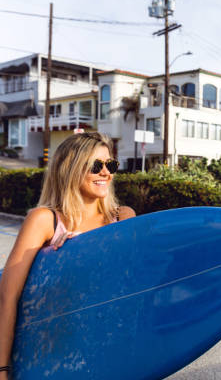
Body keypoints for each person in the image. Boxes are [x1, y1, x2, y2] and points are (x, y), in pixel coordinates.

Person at [0, 132, 135, 378]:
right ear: (70, 169)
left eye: (111, 164)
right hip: (58, 349)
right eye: (96, 165)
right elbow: (8, 297)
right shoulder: (44, 221)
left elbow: (132, 283)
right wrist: (2, 368)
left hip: (111, 348)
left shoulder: (123, 217)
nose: (106, 172)